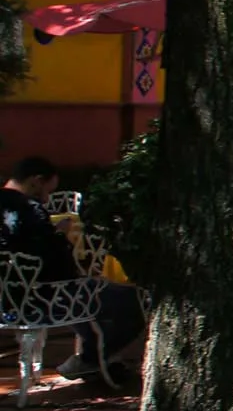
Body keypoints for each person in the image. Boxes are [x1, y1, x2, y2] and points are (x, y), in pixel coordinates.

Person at [0, 157, 145, 382]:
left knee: (89, 298)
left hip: (6, 303)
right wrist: (62, 236)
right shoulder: (30, 208)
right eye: (47, 191)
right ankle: (90, 359)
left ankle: (94, 361)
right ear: (36, 181)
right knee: (135, 300)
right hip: (43, 299)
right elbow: (55, 260)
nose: (47, 198)